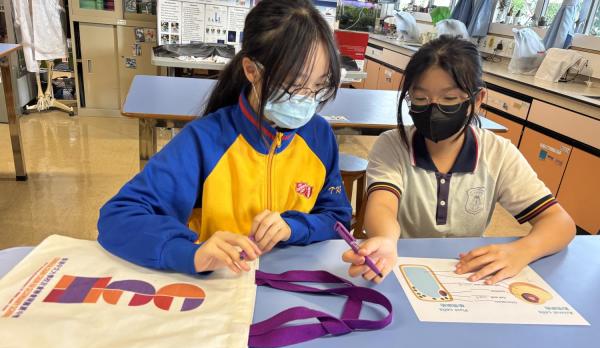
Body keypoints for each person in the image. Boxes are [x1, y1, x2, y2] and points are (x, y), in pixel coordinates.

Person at [98, 0, 351, 275]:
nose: (307, 98)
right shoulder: (205, 141)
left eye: (319, 85)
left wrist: (295, 227)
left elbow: (337, 219)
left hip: (291, 283)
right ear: (252, 71)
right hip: (221, 285)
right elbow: (119, 217)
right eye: (294, 84)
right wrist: (190, 253)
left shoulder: (319, 136)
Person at [343, 36, 575, 284]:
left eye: (450, 99)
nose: (433, 108)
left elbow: (560, 223)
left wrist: (521, 251)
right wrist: (387, 239)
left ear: (477, 100)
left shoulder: (498, 153)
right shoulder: (393, 145)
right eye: (420, 98)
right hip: (403, 266)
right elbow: (382, 206)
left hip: (467, 273)